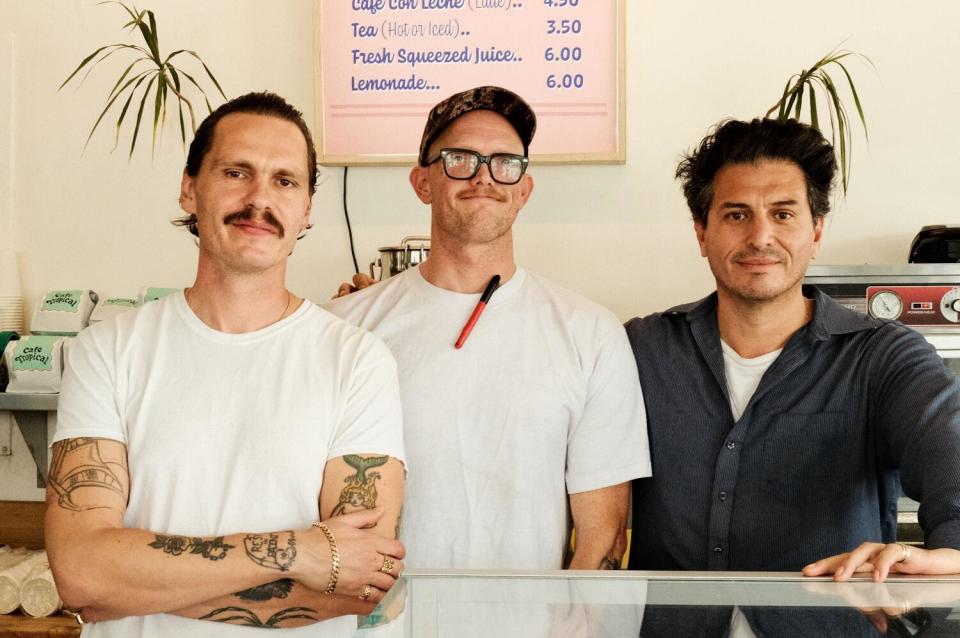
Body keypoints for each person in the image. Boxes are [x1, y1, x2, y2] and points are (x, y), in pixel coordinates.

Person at [45, 92, 406, 637]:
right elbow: (81, 575)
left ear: (306, 208)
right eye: (237, 172)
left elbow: (359, 584)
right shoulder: (108, 351)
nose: (259, 198)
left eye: (285, 181)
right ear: (190, 188)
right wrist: (303, 552)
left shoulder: (357, 362)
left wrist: (133, 588)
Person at [625, 117, 960, 635]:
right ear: (701, 232)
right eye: (736, 214)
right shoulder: (640, 350)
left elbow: (952, 457)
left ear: (816, 231)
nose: (760, 236)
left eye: (783, 214)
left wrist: (947, 556)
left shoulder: (883, 357)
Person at [327, 86, 651, 574]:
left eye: (505, 162)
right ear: (421, 182)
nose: (484, 176)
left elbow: (600, 535)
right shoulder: (347, 327)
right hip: (383, 624)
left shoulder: (592, 334)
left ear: (524, 188)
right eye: (460, 159)